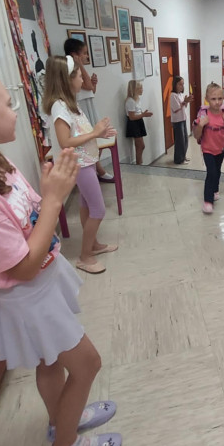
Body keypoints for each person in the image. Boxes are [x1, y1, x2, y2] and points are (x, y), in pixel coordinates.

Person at [0, 64, 121, 446]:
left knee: (50, 362)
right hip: (29, 295)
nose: (16, 111)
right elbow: (22, 266)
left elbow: (29, 218)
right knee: (88, 364)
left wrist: (48, 194)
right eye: (9, 103)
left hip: (43, 285)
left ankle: (63, 421)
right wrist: (54, 201)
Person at [43, 56, 117, 275]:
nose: (82, 80)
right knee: (98, 209)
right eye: (78, 75)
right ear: (67, 79)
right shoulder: (59, 107)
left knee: (86, 206)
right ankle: (85, 257)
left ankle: (92, 244)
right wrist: (95, 133)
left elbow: (78, 133)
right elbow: (65, 141)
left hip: (87, 162)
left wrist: (98, 132)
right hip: (80, 165)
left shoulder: (70, 104)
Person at [63, 38, 113, 182]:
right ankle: (97, 170)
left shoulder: (78, 71)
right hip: (81, 108)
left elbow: (90, 90)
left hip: (87, 105)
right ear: (74, 55)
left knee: (96, 139)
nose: (86, 56)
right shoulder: (73, 70)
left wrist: (93, 84)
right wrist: (80, 66)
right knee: (90, 139)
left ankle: (96, 169)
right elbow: (88, 86)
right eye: (84, 53)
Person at [193, 82, 224, 214]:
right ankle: (208, 201)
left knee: (217, 171)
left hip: (220, 149)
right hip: (207, 150)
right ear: (207, 99)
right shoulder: (203, 115)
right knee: (211, 173)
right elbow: (196, 136)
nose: (217, 102)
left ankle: (215, 190)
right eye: (213, 99)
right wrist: (201, 125)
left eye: (220, 98)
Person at [125, 80, 152, 165]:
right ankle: (138, 164)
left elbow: (137, 112)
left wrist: (144, 114)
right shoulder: (130, 101)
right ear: (135, 89)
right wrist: (143, 115)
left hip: (139, 122)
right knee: (141, 146)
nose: (142, 90)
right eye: (140, 88)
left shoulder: (137, 99)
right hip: (134, 124)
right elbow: (132, 117)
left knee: (139, 146)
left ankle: (139, 162)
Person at [170, 75, 193, 164]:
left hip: (183, 119)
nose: (182, 86)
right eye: (180, 84)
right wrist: (184, 102)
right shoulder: (173, 95)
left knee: (185, 139)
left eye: (183, 84)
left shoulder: (180, 94)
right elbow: (176, 108)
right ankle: (179, 159)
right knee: (180, 141)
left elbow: (184, 106)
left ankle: (183, 156)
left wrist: (186, 101)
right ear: (175, 85)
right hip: (177, 121)